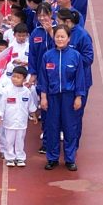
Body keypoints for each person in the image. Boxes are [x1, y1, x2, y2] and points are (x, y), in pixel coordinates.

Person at [36, 23, 88, 172]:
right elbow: (43, 79)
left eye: (62, 37)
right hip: (52, 97)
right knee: (52, 127)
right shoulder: (48, 56)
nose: (60, 39)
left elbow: (80, 79)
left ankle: (70, 159)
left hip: (69, 97)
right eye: (57, 36)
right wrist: (43, 97)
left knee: (70, 127)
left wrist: (78, 97)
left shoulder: (75, 56)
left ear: (68, 38)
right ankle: (52, 158)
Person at [0, 60, 36, 166]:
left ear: (24, 79)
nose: (15, 79)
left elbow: (31, 105)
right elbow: (2, 105)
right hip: (9, 121)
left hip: (22, 122)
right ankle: (10, 157)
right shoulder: (7, 91)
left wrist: (34, 115)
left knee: (20, 140)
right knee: (9, 140)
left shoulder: (27, 92)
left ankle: (20, 157)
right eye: (13, 76)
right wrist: (0, 117)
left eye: (18, 77)